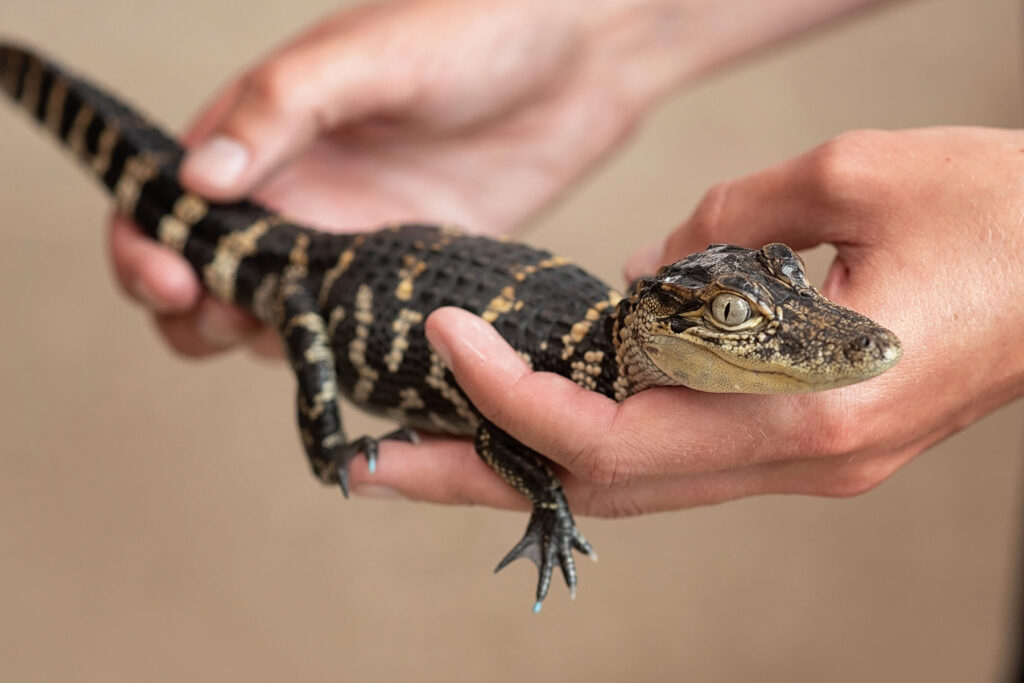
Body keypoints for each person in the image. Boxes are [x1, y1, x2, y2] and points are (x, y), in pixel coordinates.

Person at [109, 0, 1024, 516]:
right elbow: (500, 429)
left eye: (756, 302)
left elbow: (501, 427)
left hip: (400, 258)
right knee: (286, 305)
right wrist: (607, 33)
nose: (833, 336)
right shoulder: (598, 349)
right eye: (741, 309)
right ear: (660, 317)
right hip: (323, 275)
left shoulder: (617, 346)